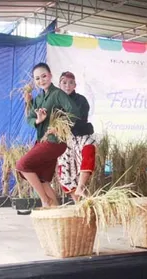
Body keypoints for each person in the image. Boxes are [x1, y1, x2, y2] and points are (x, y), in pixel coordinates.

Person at [16, 63, 80, 207]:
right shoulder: (38, 99)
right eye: (37, 78)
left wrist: (59, 127)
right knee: (42, 179)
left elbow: (74, 112)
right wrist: (38, 120)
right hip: (43, 141)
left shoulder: (58, 94)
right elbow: (30, 118)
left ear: (50, 75)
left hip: (55, 142)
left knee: (22, 165)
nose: (41, 80)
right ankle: (55, 210)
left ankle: (45, 200)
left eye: (44, 76)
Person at [56, 71, 96, 202]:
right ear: (59, 84)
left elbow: (80, 119)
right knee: (65, 171)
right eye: (64, 82)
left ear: (75, 85)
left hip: (80, 135)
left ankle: (81, 187)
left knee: (89, 149)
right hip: (64, 139)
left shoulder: (81, 100)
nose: (67, 85)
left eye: (71, 83)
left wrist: (66, 121)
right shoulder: (55, 101)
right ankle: (77, 203)